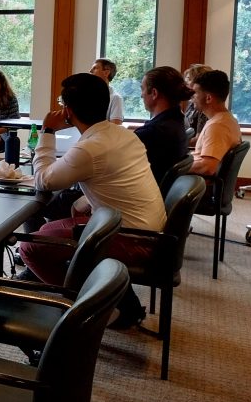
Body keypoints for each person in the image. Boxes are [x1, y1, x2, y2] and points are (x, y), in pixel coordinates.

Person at [19, 73, 166, 328]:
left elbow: (44, 180)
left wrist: (47, 131)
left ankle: (90, 308)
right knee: (50, 227)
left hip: (132, 237)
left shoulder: (90, 148)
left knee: (30, 246)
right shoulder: (124, 134)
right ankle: (122, 302)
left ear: (68, 110)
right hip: (152, 230)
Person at [134, 66, 191, 186]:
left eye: (143, 89)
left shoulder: (154, 132)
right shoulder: (178, 121)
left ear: (154, 93)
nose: (141, 95)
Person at [188, 69, 242, 179]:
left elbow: (207, 167)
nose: (191, 99)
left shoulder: (218, 126)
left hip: (198, 184)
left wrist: (173, 166)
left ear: (208, 98)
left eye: (195, 94)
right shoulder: (224, 119)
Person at [183, 63, 213, 144]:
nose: (185, 83)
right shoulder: (192, 103)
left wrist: (176, 143)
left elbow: (198, 140)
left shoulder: (203, 107)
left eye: (189, 79)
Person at [90, 57, 123, 124]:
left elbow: (115, 127)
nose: (90, 71)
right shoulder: (87, 95)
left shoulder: (115, 98)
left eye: (95, 68)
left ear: (106, 73)